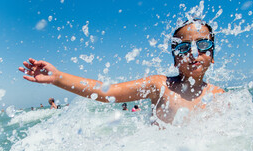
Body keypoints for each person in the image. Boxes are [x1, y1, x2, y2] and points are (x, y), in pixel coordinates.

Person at [19, 19, 224, 125]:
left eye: (203, 44)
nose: (193, 53)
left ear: (212, 55)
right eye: (183, 48)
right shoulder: (160, 86)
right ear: (174, 60)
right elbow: (108, 92)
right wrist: (57, 77)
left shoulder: (218, 96)